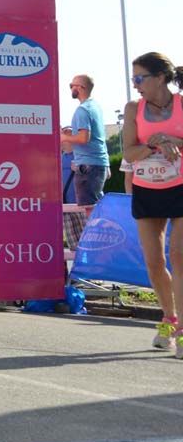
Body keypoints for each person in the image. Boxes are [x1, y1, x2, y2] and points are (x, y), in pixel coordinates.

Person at [121, 52, 183, 355]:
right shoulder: (134, 108)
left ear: (160, 77)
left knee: (179, 256)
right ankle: (169, 321)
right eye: (133, 79)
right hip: (147, 189)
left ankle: (182, 330)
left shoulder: (182, 105)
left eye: (139, 78)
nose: (135, 85)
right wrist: (153, 144)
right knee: (154, 263)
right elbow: (129, 153)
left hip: (180, 186)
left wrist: (175, 142)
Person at [61, 74, 111, 213]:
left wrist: (64, 137)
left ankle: (95, 233)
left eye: (72, 86)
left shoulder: (82, 110)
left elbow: (84, 138)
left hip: (87, 165)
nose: (71, 88)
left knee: (89, 208)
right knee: (95, 205)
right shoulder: (95, 107)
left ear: (80, 88)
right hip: (97, 163)